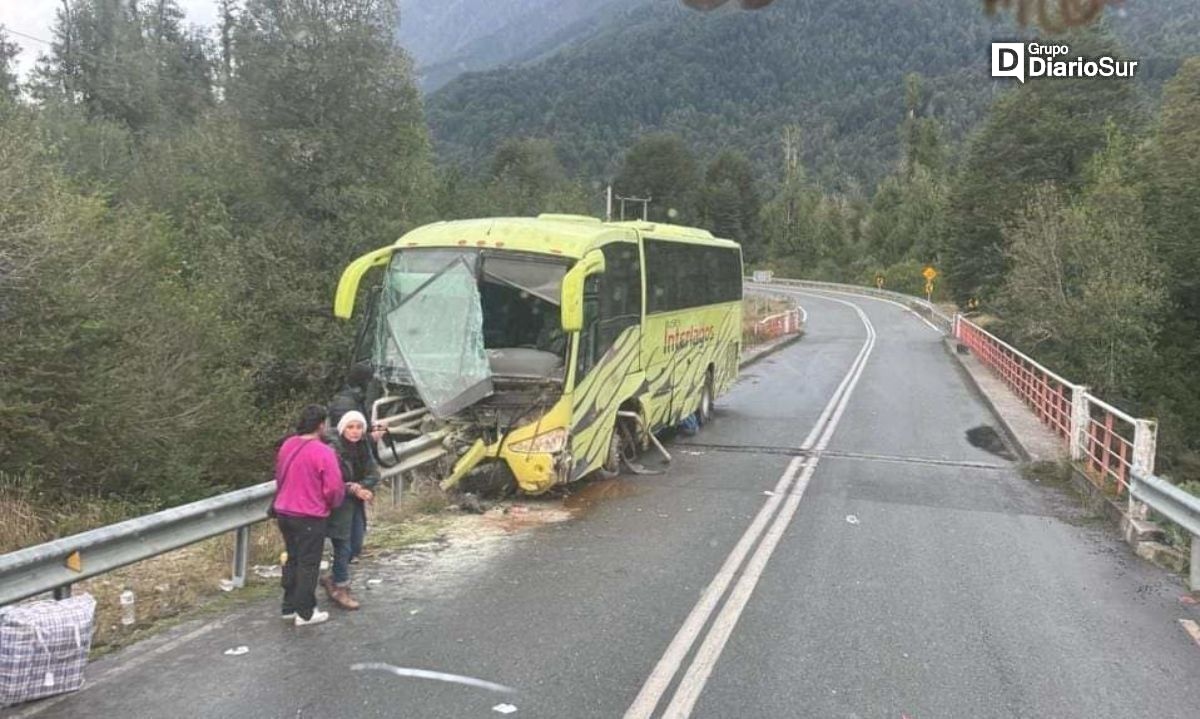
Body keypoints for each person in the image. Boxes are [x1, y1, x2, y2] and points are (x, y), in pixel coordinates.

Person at [273, 404, 345, 627]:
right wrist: (332, 505)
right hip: (309, 514)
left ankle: (288, 607)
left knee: (292, 559)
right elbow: (333, 488)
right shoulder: (323, 451)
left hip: (284, 511)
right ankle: (305, 612)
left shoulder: (288, 445)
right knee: (308, 563)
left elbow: (279, 474)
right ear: (321, 424)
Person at [321, 410, 380, 610]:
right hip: (339, 503)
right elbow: (333, 480)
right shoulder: (333, 448)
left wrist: (363, 487)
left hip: (355, 502)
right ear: (342, 428)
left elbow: (374, 472)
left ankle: (334, 576)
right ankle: (341, 587)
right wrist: (355, 489)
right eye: (350, 427)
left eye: (359, 427)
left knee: (356, 545)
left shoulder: (363, 446)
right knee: (342, 544)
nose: (355, 432)